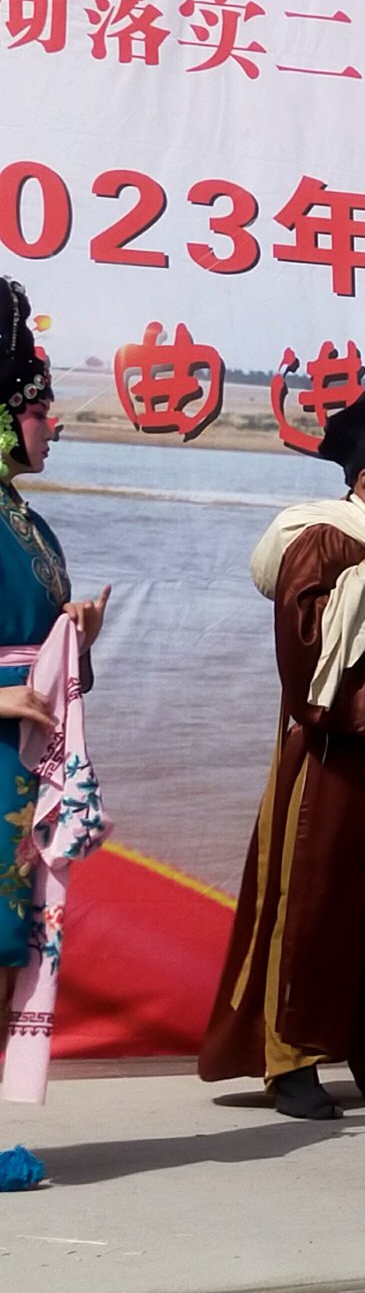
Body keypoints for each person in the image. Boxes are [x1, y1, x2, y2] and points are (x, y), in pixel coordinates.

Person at [200, 390, 365, 1120]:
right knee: (316, 909)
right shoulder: (327, 538)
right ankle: (289, 1064)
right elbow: (304, 652)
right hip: (335, 757)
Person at [0, 276, 110, 1178]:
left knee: (7, 943)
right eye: (39, 411)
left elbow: (44, 655)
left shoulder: (29, 523)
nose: (54, 425)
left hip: (21, 760)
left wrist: (77, 641)